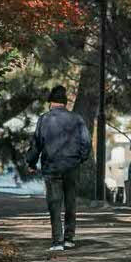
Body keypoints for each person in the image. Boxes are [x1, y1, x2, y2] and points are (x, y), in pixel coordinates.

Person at [32, 85, 90, 251]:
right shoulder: (77, 119)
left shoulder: (44, 119)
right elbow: (86, 143)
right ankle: (69, 239)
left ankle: (57, 241)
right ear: (65, 103)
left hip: (52, 167)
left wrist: (31, 162)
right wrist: (80, 159)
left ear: (51, 102)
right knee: (71, 201)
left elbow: (37, 144)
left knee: (55, 203)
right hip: (72, 166)